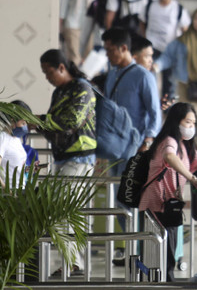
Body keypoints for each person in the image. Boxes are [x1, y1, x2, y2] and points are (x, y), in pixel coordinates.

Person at [139, 102, 197, 281]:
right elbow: (169, 156)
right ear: (176, 121)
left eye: (193, 123)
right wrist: (192, 178)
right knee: (161, 251)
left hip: (170, 205)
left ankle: (165, 280)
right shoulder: (169, 141)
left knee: (169, 250)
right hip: (157, 204)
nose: (191, 127)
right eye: (188, 122)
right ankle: (162, 282)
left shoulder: (185, 145)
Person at [39, 49, 96, 276]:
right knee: (65, 212)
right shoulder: (59, 92)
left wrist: (39, 121)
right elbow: (53, 126)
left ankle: (73, 263)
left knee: (56, 210)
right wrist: (43, 123)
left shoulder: (82, 88)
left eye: (49, 72)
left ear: (62, 68)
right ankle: (73, 263)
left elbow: (70, 121)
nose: (47, 77)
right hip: (63, 158)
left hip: (80, 157)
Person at [102, 28, 162, 160]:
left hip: (135, 145)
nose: (107, 55)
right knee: (112, 179)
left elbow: (154, 112)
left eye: (110, 50)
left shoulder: (143, 76)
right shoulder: (112, 75)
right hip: (112, 143)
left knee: (128, 180)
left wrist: (147, 142)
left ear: (123, 48)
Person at [140, 0, 190, 98]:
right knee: (150, 81)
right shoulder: (150, 6)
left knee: (170, 84)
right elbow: (142, 21)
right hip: (152, 49)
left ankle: (167, 111)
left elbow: (186, 29)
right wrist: (145, 37)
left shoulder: (178, 9)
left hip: (170, 50)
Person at [9, 100, 38, 168]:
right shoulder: (3, 138)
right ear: (12, 119)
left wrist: (29, 169)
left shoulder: (17, 140)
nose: (26, 127)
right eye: (23, 123)